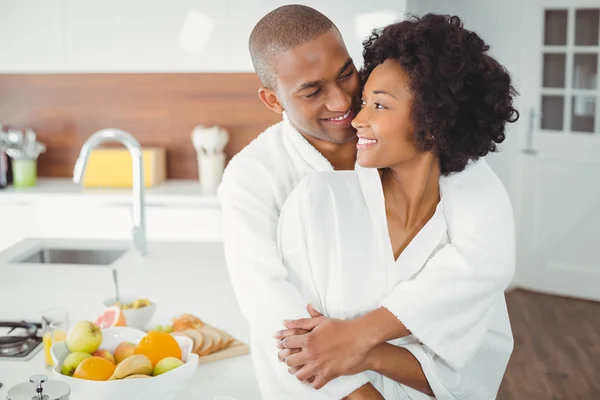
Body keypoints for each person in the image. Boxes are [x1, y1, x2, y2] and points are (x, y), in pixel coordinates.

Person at [217, 5, 516, 399]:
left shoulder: (428, 143)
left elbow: (484, 255)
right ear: (273, 101)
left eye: (346, 74)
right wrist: (358, 389)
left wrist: (362, 338)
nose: (343, 103)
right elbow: (269, 304)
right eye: (312, 91)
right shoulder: (255, 177)